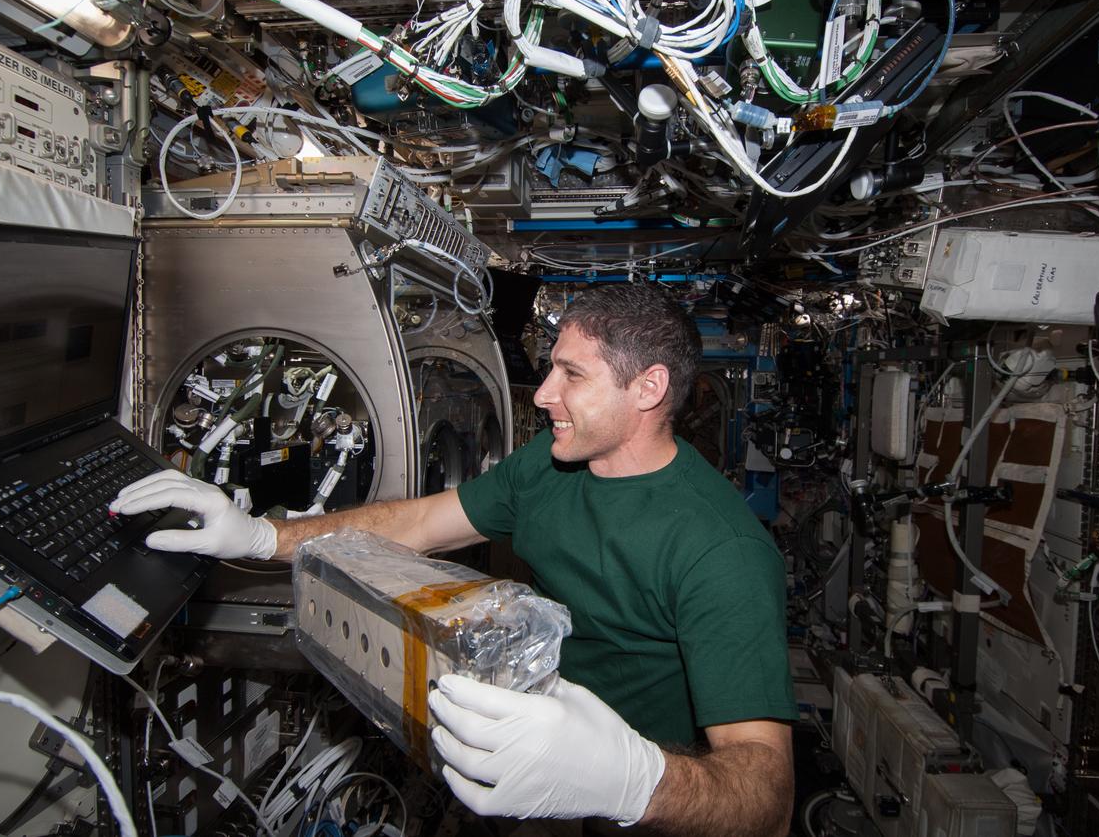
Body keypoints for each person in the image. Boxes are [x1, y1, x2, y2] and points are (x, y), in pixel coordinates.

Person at [110, 285, 797, 836]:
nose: (543, 395)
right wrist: (264, 537)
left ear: (647, 389)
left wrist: (631, 780)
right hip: (540, 778)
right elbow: (418, 522)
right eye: (550, 369)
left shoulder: (721, 552)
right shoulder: (550, 467)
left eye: (572, 375)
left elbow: (767, 801)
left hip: (658, 808)